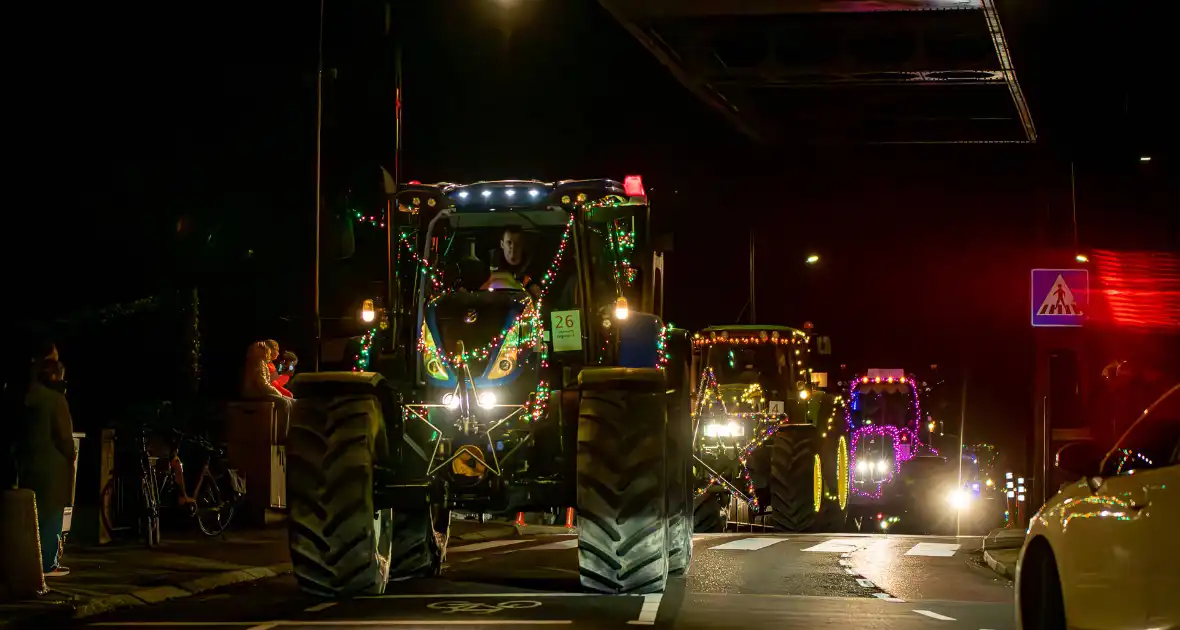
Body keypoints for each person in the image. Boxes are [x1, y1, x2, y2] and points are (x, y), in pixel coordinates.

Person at [17, 358, 76, 577]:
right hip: (53, 467)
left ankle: (33, 561)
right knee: (52, 515)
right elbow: (64, 438)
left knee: (35, 515)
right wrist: (71, 453)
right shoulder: (55, 400)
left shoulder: (27, 399)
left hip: (30, 465)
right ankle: (48, 563)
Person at [485, 225, 542, 298]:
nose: (513, 247)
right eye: (509, 242)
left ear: (522, 245)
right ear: (502, 244)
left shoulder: (533, 269)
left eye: (517, 243)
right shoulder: (490, 265)